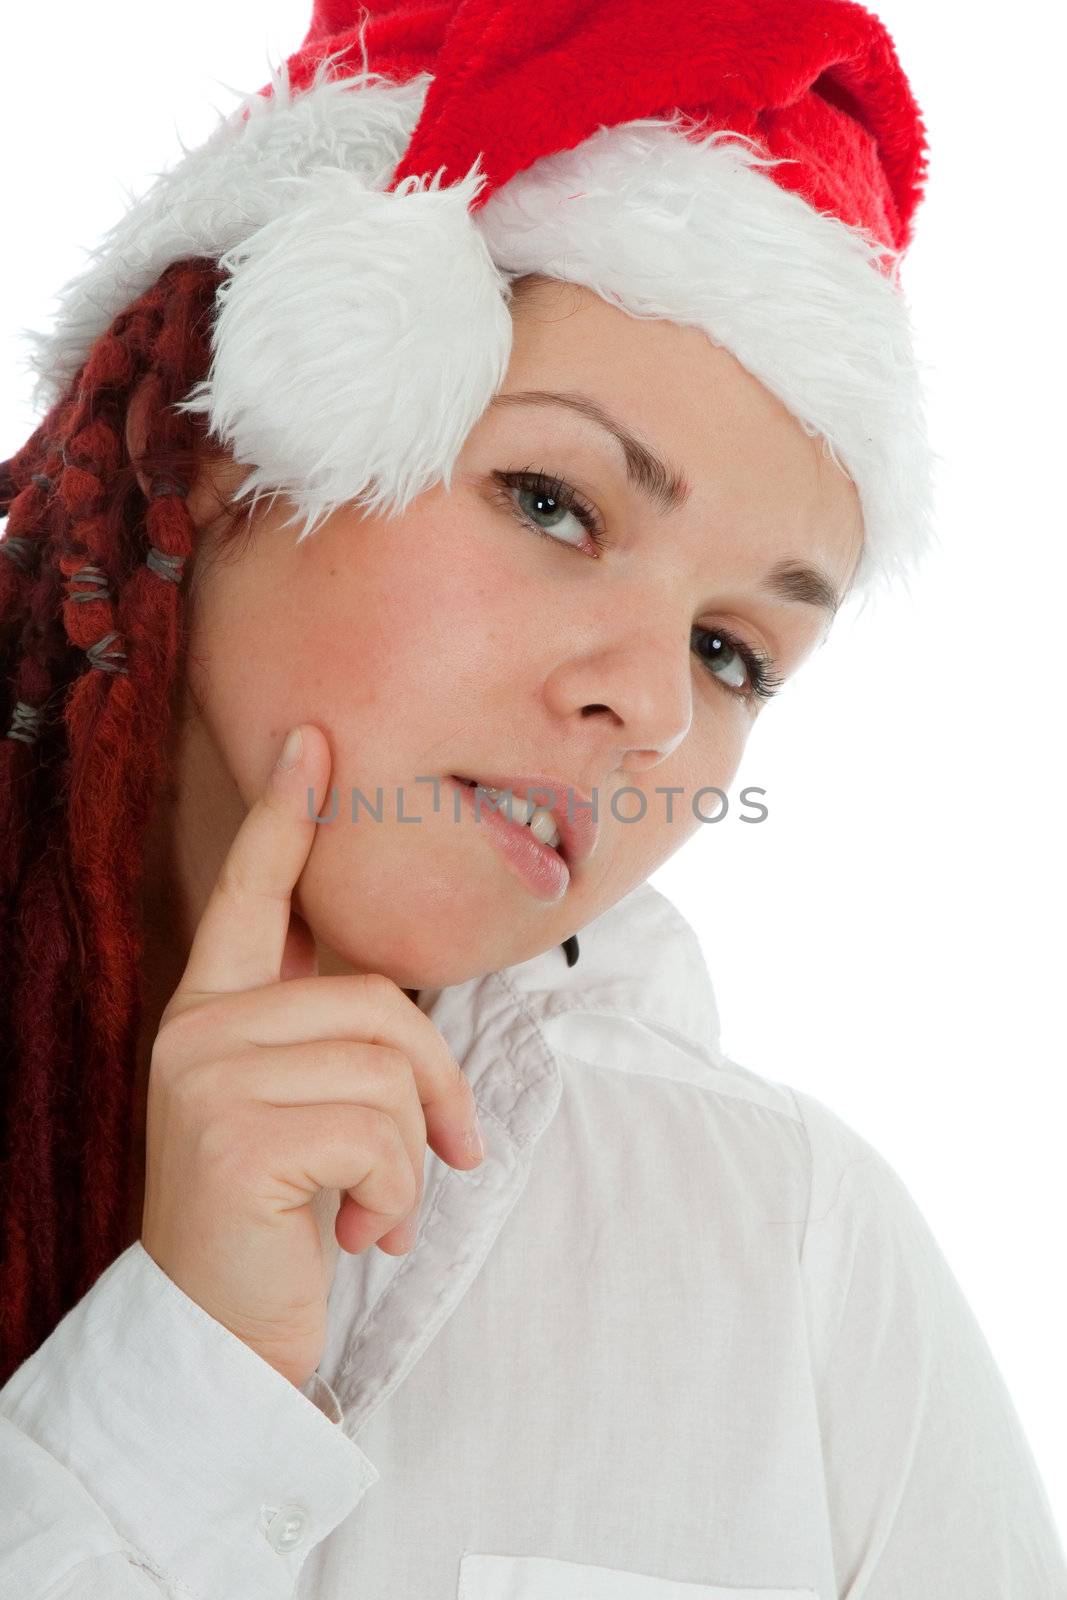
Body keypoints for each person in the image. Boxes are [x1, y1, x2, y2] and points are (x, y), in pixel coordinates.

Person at [1, 1, 1064, 1597]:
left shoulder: (790, 1253)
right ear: (221, 444)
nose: (647, 702)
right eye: (554, 503)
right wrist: (189, 1379)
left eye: (732, 648)